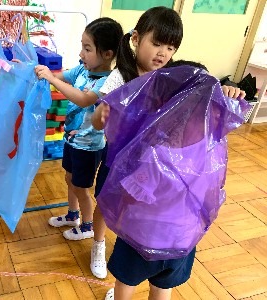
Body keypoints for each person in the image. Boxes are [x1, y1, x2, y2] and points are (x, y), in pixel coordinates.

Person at [89, 7, 246, 281]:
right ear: (136, 39)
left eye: (170, 47)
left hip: (150, 167)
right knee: (105, 203)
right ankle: (99, 244)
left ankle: (126, 257)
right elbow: (96, 122)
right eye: (156, 43)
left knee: (134, 214)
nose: (162, 53)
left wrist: (227, 90)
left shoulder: (172, 78)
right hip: (117, 161)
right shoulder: (120, 77)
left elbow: (202, 91)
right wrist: (101, 116)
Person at [34, 17, 123, 240]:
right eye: (82, 47)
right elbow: (60, 76)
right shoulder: (82, 70)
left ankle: (87, 226)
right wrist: (41, 72)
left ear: (107, 54)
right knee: (69, 179)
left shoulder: (109, 81)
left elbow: (84, 99)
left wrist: (52, 81)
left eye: (87, 48)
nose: (81, 53)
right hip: (72, 140)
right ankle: (73, 215)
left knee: (81, 188)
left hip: (90, 146)